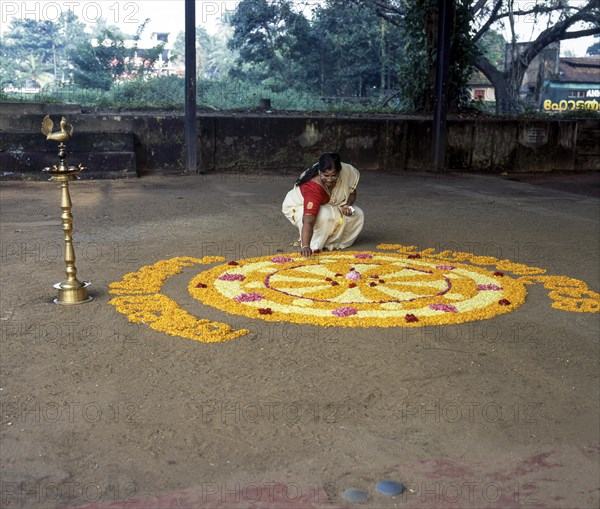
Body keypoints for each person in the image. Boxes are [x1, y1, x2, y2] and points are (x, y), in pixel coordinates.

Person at [282, 152, 364, 257]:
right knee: (324, 214)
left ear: (339, 172)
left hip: (329, 203)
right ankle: (313, 244)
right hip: (299, 207)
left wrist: (346, 205)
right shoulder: (313, 188)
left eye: (334, 176)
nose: (330, 179)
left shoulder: (346, 171)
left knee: (357, 214)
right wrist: (306, 246)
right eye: (326, 176)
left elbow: (352, 192)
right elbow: (308, 221)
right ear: (319, 172)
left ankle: (329, 242)